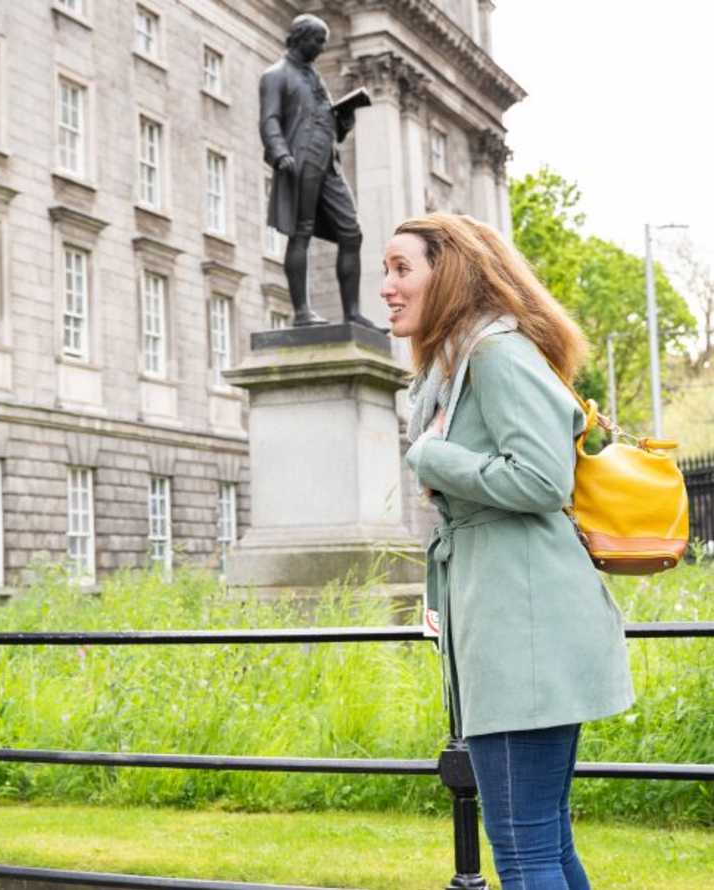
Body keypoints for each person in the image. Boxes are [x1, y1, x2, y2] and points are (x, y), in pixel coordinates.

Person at [384, 213, 635, 890]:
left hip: (526, 634)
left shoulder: (495, 355)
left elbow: (541, 478)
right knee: (542, 843)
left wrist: (435, 455)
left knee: (525, 852)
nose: (387, 286)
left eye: (402, 268)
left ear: (451, 273)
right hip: (516, 625)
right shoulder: (465, 364)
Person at [258, 13, 377, 329]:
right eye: (318, 41)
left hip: (328, 165)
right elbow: (270, 120)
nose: (322, 48)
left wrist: (344, 120)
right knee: (301, 233)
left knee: (352, 232)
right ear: (299, 37)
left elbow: (323, 121)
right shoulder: (276, 75)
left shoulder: (314, 77)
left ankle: (352, 313)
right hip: (300, 161)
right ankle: (301, 313)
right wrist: (280, 153)